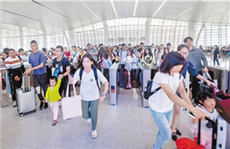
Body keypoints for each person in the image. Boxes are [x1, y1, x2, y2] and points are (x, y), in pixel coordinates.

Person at [148, 52, 206, 149]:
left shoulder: (177, 75)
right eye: (177, 65)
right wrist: (193, 109)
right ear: (169, 63)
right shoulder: (161, 75)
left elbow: (182, 91)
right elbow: (171, 95)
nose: (180, 67)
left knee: (163, 131)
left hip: (168, 107)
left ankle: (157, 145)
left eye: (181, 65)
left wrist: (191, 107)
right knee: (167, 134)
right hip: (157, 108)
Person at [171, 44, 215, 141]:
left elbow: (195, 74)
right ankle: (171, 128)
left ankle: (173, 128)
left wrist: (207, 81)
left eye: (185, 53)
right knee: (169, 109)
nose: (183, 55)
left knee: (177, 109)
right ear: (177, 52)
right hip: (169, 88)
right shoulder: (171, 62)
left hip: (179, 87)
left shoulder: (187, 63)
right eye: (181, 52)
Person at [69, 54, 109, 139]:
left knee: (94, 116)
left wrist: (104, 94)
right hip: (83, 97)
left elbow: (106, 82)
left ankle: (94, 129)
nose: (85, 63)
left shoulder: (96, 72)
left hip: (94, 97)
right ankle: (89, 116)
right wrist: (70, 80)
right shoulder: (79, 71)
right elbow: (73, 81)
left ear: (91, 62)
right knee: (85, 115)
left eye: (87, 61)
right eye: (84, 62)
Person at [24, 40, 48, 110]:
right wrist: (28, 70)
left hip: (42, 73)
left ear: (37, 45)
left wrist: (31, 69)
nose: (32, 47)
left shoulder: (41, 54)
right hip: (35, 74)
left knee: (44, 88)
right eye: (31, 46)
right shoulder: (30, 55)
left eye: (33, 46)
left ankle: (46, 101)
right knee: (37, 89)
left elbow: (41, 65)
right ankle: (41, 100)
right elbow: (31, 65)